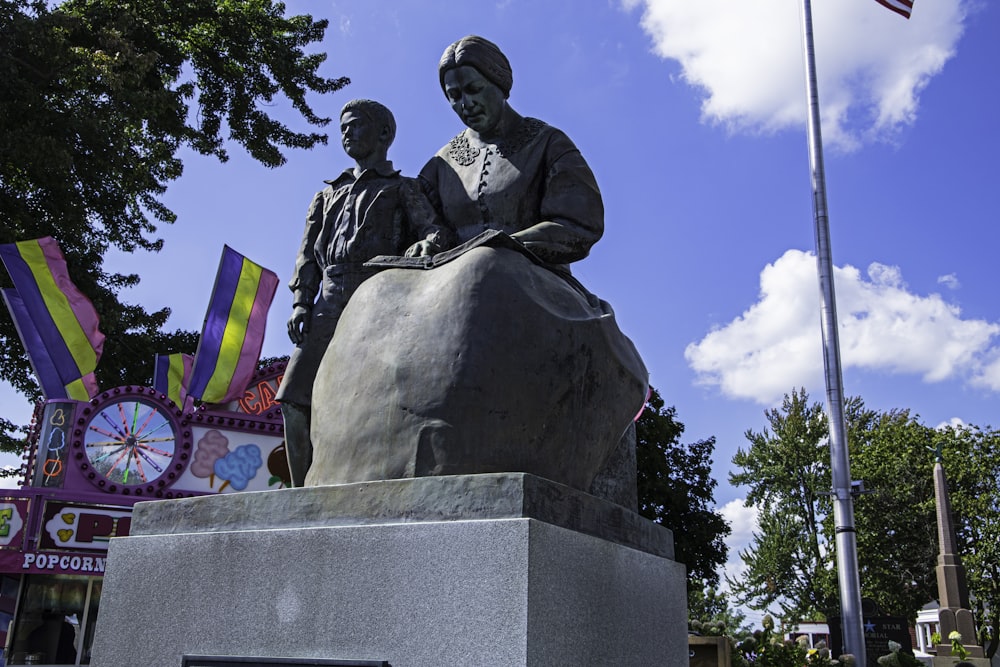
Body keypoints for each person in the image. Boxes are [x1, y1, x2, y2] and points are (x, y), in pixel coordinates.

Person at [275, 98, 452, 487]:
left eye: (355, 125)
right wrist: (301, 302)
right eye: (342, 128)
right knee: (292, 398)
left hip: (379, 297)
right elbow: (306, 256)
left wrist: (426, 245)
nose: (346, 133)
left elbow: (434, 231)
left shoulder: (403, 188)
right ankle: (301, 491)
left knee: (373, 402)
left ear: (384, 134)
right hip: (330, 298)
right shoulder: (326, 195)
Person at [419, 34, 604, 273]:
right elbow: (424, 226)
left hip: (534, 277)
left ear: (500, 84)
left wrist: (510, 245)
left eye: (474, 89)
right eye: (454, 96)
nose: (466, 103)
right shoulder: (440, 164)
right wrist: (428, 243)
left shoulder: (548, 143)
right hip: (449, 279)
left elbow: (580, 224)